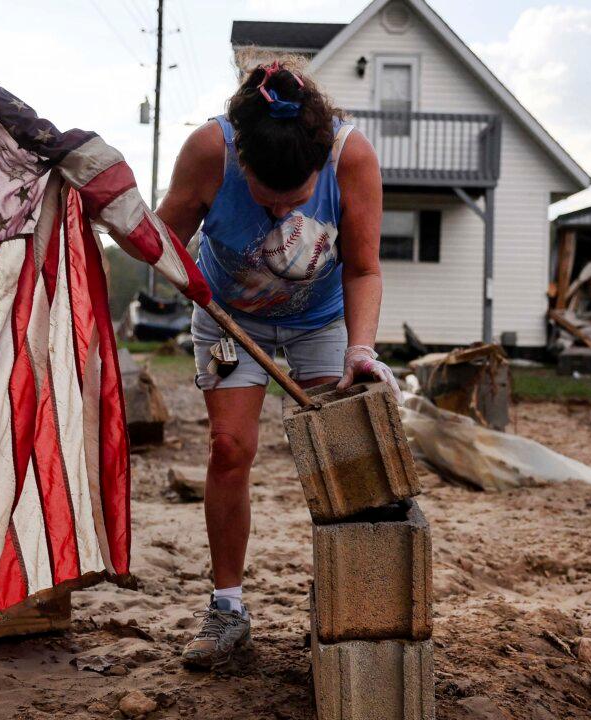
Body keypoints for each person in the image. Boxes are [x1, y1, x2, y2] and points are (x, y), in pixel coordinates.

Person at [154, 59, 400, 669]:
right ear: (241, 165)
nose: (283, 213)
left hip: (321, 320)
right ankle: (228, 610)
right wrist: (156, 254)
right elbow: (161, 240)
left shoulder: (352, 158)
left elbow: (363, 266)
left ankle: (348, 603)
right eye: (268, 201)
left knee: (346, 454)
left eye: (298, 200)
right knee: (230, 449)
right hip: (228, 316)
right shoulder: (209, 149)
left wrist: (360, 350)